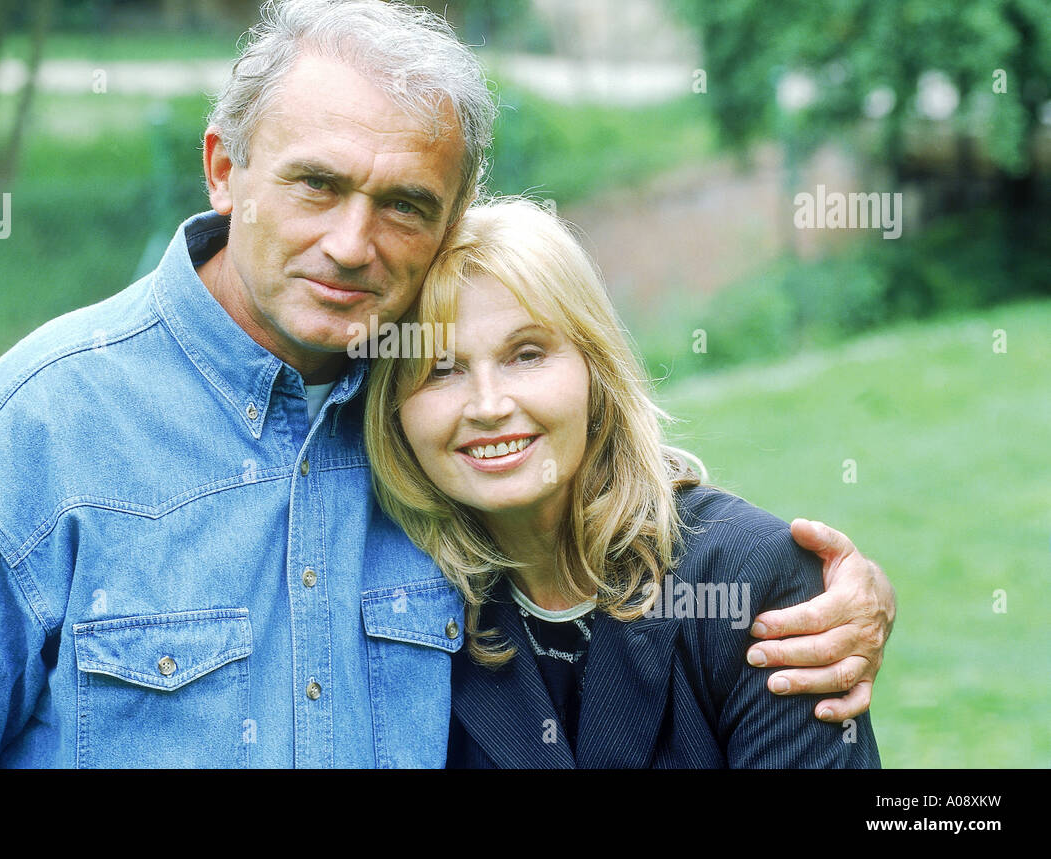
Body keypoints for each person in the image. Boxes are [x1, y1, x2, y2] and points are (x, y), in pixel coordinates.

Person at [0, 0, 894, 769]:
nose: (352, 243)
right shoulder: (18, 446)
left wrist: (815, 591)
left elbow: (596, 513)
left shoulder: (424, 427)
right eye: (315, 185)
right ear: (225, 170)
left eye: (405, 204)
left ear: (450, 220)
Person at [365, 197, 881, 767]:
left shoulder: (752, 578)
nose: (488, 406)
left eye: (526, 354)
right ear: (394, 410)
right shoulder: (406, 610)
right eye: (441, 370)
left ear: (596, 369)